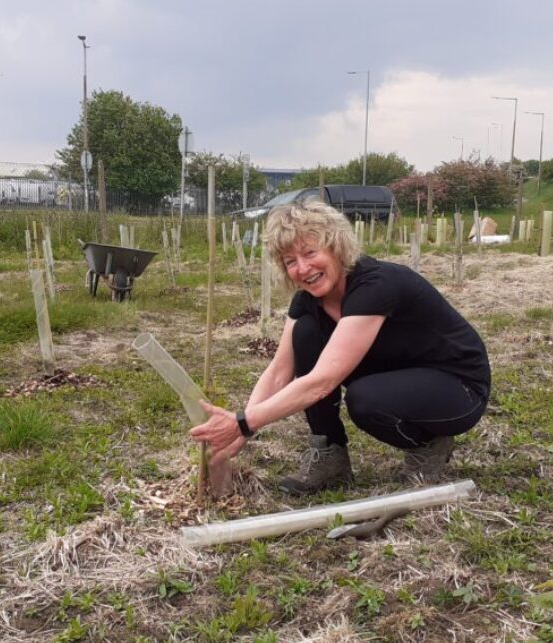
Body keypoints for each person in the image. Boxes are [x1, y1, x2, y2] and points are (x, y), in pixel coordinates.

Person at [190, 199, 491, 495]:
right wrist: (239, 435)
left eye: (310, 252)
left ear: (336, 247)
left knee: (366, 400)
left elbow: (322, 382)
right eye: (290, 261)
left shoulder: (376, 285)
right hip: (398, 374)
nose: (303, 268)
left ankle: (430, 445)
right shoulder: (308, 302)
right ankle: (329, 452)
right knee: (305, 332)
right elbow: (279, 371)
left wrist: (243, 423)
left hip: (457, 387)